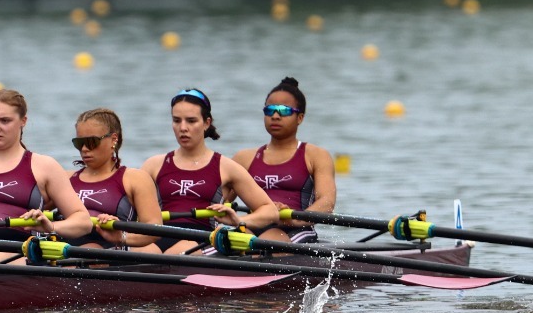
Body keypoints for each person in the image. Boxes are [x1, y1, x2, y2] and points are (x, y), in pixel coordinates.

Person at [0, 88, 92, 263]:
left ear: (23, 121)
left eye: (5, 121)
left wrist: (50, 226)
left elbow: (83, 221)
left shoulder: (44, 166)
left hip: (20, 248)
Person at [140, 88, 280, 253]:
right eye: (177, 120)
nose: (183, 128)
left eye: (191, 121)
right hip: (159, 234)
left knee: (177, 253)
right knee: (142, 252)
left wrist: (239, 220)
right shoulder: (153, 165)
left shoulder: (226, 167)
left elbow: (270, 211)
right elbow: (128, 209)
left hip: (203, 239)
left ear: (206, 123)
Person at [232, 77, 337, 243]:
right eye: (270, 110)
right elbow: (217, 200)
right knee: (230, 237)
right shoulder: (243, 158)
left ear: (300, 118)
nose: (275, 115)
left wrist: (295, 219)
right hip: (252, 227)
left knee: (268, 239)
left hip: (297, 229)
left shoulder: (316, 155)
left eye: (284, 110)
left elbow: (327, 203)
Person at [65, 107, 160, 249]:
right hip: (63, 251)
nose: (84, 149)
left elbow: (155, 231)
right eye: (79, 143)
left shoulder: (135, 179)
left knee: (90, 248)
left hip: (109, 254)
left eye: (92, 142)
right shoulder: (66, 178)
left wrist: (121, 237)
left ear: (113, 140)